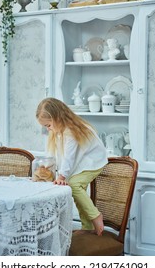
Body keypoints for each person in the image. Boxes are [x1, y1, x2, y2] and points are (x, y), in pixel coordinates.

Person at [36, 97, 108, 236]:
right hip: (81, 161)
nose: (48, 129)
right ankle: (87, 227)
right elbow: (54, 153)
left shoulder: (71, 131)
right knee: (78, 192)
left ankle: (95, 216)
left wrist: (62, 176)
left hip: (93, 161)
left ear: (57, 118)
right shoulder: (59, 131)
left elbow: (69, 157)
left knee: (74, 186)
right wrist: (46, 166)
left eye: (48, 125)